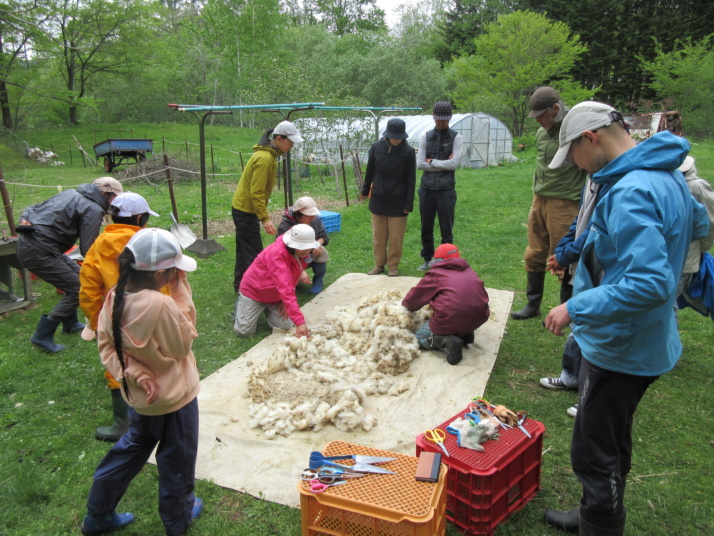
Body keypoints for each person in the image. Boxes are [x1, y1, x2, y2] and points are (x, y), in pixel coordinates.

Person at [543, 101, 709, 536]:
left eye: (573, 156)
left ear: (590, 139)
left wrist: (574, 306)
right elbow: (698, 223)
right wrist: (586, 247)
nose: (577, 167)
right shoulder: (666, 173)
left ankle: (599, 524)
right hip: (648, 337)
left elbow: (650, 284)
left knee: (594, 449)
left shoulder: (632, 189)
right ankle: (593, 510)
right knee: (610, 436)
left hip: (622, 344)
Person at [81, 228, 202, 536]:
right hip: (174, 400)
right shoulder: (161, 306)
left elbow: (108, 348)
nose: (177, 274)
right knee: (177, 459)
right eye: (174, 270)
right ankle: (178, 519)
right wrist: (181, 292)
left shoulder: (114, 297)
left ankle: (98, 514)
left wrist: (134, 373)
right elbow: (182, 346)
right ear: (161, 272)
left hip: (140, 400)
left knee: (131, 449)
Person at [79, 192, 160, 442]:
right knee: (156, 360)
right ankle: (160, 413)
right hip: (151, 315)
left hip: (115, 320)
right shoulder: (148, 242)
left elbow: (89, 290)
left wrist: (97, 324)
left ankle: (122, 423)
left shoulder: (99, 245)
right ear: (139, 218)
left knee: (119, 365)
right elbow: (163, 278)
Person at [16, 176, 123, 353]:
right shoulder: (93, 208)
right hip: (39, 251)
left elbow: (33, 208)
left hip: (35, 246)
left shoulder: (70, 193)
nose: (116, 202)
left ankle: (70, 323)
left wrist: (24, 218)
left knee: (79, 277)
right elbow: (88, 248)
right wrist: (109, 263)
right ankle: (42, 336)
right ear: (104, 193)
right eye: (115, 197)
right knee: (79, 287)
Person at [511, 87, 587, 320]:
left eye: (542, 116)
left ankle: (568, 311)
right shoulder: (541, 134)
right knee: (534, 251)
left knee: (563, 256)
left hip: (564, 203)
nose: (539, 122)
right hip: (539, 198)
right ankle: (533, 305)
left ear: (555, 109)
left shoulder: (575, 133)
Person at [539, 177, 612, 418]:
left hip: (598, 267)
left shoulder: (617, 184)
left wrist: (567, 254)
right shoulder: (593, 179)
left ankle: (590, 398)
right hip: (582, 265)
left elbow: (595, 230)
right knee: (577, 327)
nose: (575, 166)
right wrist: (562, 251)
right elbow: (579, 221)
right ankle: (570, 377)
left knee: (594, 331)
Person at [231, 120, 304, 292]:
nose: (291, 146)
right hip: (245, 211)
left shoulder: (268, 156)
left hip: (242, 208)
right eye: (290, 142)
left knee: (244, 250)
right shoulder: (264, 159)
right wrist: (265, 219)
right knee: (255, 255)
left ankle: (240, 286)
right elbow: (256, 192)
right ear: (279, 139)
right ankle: (254, 292)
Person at [402, 244, 490, 365]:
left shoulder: (436, 274)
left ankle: (447, 340)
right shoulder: (469, 271)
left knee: (417, 338)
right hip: (479, 317)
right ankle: (465, 333)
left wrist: (405, 306)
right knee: (462, 309)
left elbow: (414, 300)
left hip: (453, 318)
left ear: (437, 260)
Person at [234, 223, 319, 338]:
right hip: (254, 291)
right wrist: (300, 322)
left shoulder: (302, 253)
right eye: (302, 247)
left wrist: (285, 300)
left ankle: (268, 308)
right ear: (292, 243)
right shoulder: (277, 254)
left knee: (285, 325)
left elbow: (292, 278)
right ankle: (243, 303)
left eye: (308, 247)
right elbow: (285, 286)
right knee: (244, 332)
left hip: (275, 295)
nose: (306, 250)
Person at [360, 118, 416, 277]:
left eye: (399, 136)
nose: (396, 139)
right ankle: (379, 264)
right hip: (378, 198)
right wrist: (365, 191)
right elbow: (370, 171)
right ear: (387, 135)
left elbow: (411, 180)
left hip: (399, 201)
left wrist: (408, 203)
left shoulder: (408, 152)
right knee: (378, 236)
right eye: (394, 136)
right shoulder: (376, 148)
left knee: (396, 238)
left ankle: (393, 266)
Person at [415, 101, 463, 270]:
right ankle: (427, 258)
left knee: (446, 228)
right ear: (434, 117)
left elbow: (454, 164)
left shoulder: (456, 137)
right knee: (426, 226)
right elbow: (420, 164)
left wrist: (433, 162)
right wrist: (444, 163)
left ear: (449, 118)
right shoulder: (426, 136)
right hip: (426, 189)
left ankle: (447, 260)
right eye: (437, 119)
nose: (440, 122)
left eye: (443, 119)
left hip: (446, 190)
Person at [676, 156, 714, 304]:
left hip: (686, 258)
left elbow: (710, 221)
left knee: (668, 306)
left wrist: (701, 250)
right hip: (672, 257)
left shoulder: (696, 186)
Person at [276, 196, 330, 294]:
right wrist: (300, 270)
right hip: (292, 257)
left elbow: (324, 237)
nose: (312, 218)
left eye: (313, 214)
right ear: (298, 214)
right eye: (308, 215)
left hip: (308, 253)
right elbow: (284, 251)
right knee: (289, 284)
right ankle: (295, 279)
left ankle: (318, 281)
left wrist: (318, 244)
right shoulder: (285, 226)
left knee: (321, 251)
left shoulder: (315, 220)